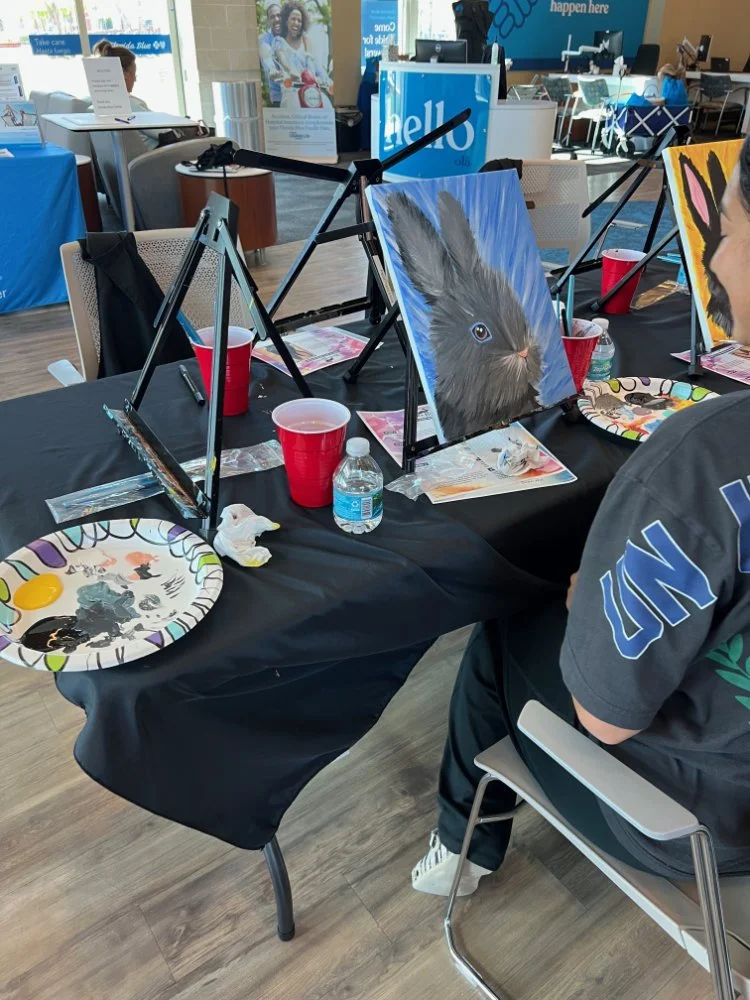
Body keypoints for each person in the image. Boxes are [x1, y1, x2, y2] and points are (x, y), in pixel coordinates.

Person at [413, 135, 750, 896]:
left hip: (695, 826)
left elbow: (605, 721)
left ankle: (463, 848)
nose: (713, 258)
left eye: (725, 229)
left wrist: (592, 602)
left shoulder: (698, 460)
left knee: (505, 623)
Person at [91, 39, 160, 150]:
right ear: (126, 75)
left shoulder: (97, 105)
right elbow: (164, 132)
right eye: (134, 74)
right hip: (155, 155)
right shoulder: (131, 105)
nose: (135, 79)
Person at [274, 1, 332, 93]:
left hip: (312, 93)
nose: (296, 23)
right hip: (291, 92)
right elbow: (282, 60)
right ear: (286, 21)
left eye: (299, 20)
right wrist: (290, 71)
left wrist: (328, 81)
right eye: (293, 19)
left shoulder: (307, 42)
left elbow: (318, 69)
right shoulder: (279, 41)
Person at [259, 3, 284, 107]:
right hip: (279, 99)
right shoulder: (265, 39)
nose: (276, 19)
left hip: (299, 95)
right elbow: (266, 53)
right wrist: (272, 69)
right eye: (272, 17)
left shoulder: (292, 36)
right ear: (269, 21)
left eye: (279, 15)